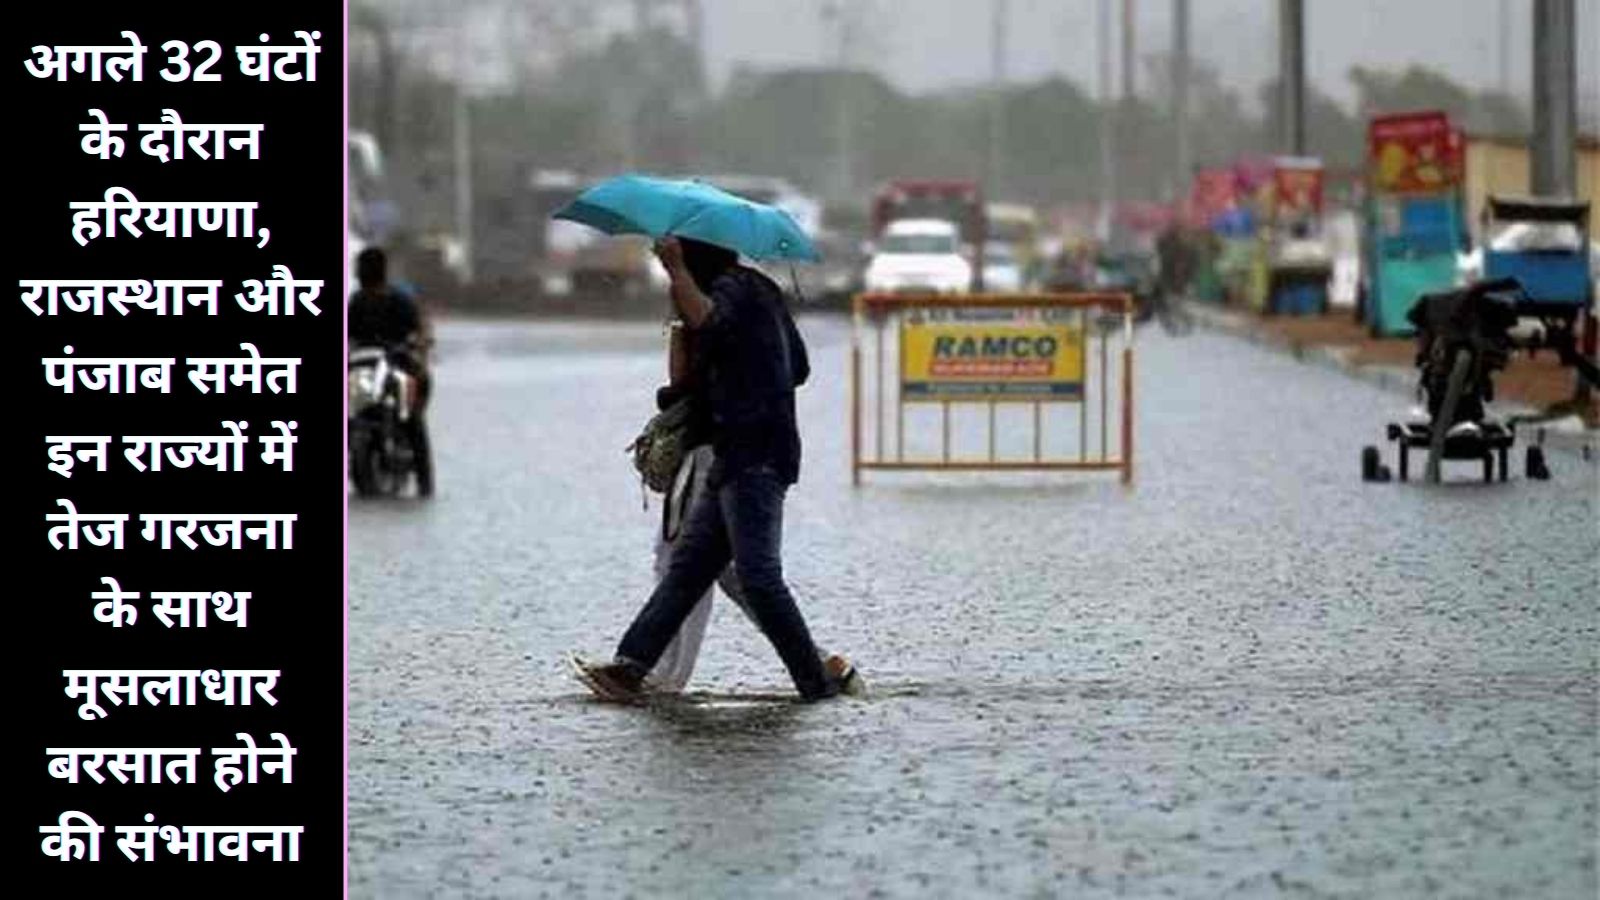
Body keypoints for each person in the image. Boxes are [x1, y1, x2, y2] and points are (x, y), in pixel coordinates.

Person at [573, 236, 857, 702]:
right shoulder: (757, 292)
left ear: (692, 257)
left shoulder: (734, 292)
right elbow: (794, 367)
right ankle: (629, 669)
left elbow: (713, 324)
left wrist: (677, 272)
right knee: (687, 571)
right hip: (734, 454)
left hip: (756, 454)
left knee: (758, 578)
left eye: (675, 258)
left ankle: (816, 681)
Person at [643, 310, 861, 695]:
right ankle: (820, 661)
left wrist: (680, 331)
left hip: (715, 450)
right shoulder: (736, 307)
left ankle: (664, 675)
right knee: (726, 571)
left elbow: (684, 385)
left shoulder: (713, 307)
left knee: (684, 561)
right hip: (729, 449)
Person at [348, 246, 434, 496]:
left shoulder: (399, 300)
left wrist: (420, 342)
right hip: (363, 367)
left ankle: (425, 481)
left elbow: (420, 328)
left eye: (365, 267)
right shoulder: (356, 301)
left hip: (396, 363)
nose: (362, 272)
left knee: (413, 419)